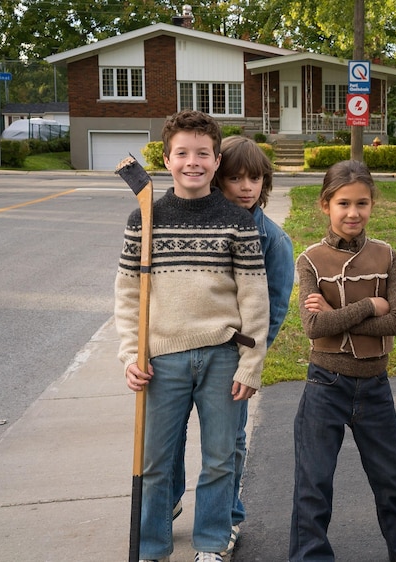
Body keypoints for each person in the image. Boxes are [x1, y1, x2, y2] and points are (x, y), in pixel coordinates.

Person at [116, 110, 269, 562]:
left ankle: (210, 545)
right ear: (166, 159)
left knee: (221, 459)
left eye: (203, 153)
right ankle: (152, 547)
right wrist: (130, 355)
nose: (192, 162)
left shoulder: (236, 221)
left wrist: (251, 362)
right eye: (182, 153)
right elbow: (128, 297)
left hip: (223, 356)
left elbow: (255, 298)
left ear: (217, 160)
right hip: (161, 360)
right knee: (157, 464)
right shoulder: (145, 217)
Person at [289, 160, 396, 562]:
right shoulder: (310, 260)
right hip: (325, 382)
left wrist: (337, 315)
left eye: (362, 203)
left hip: (375, 383)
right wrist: (368, 305)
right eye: (343, 203)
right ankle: (310, 556)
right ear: (326, 205)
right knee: (315, 480)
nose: (353, 213)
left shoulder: (387, 256)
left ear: (372, 205)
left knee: (389, 477)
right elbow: (313, 327)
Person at [169, 135, 295, 555]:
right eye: (236, 178)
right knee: (168, 437)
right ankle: (167, 501)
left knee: (229, 444)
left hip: (233, 357)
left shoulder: (272, 239)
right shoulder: (202, 225)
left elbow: (274, 308)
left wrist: (251, 360)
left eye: (255, 178)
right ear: (218, 179)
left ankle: (227, 518)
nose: (246, 187)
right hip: (183, 349)